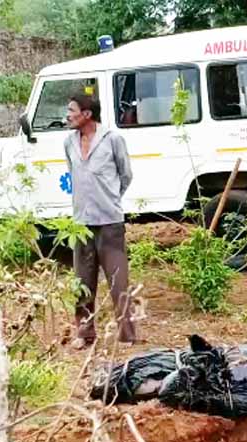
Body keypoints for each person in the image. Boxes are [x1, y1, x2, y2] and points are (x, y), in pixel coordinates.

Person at [64, 94, 137, 349]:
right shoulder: (69, 142)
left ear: (87, 114)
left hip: (110, 222)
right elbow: (74, 175)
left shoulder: (112, 139)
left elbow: (125, 174)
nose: (67, 115)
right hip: (81, 223)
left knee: (118, 280)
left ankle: (127, 334)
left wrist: (111, 199)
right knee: (83, 282)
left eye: (72, 110)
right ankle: (85, 333)